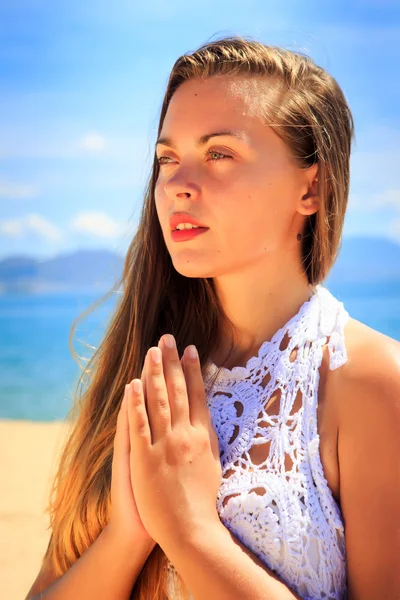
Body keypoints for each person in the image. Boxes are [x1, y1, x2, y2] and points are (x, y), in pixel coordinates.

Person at [25, 36, 400, 600]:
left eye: (219, 153)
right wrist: (129, 535)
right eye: (167, 159)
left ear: (313, 187)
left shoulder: (372, 382)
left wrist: (190, 531)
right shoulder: (142, 362)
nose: (176, 184)